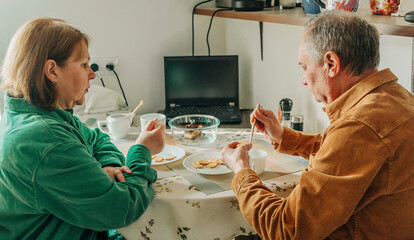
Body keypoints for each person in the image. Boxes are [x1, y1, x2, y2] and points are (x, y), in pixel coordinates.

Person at [222, 10, 414, 240]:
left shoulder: (359, 127)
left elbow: (286, 229)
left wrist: (242, 171)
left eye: (304, 66)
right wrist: (282, 135)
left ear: (331, 63)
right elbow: (341, 153)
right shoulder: (397, 97)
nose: (303, 79)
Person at [0, 18, 165, 239]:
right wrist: (142, 151)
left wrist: (110, 164)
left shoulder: (35, 113)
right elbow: (122, 208)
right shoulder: (46, 140)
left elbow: (97, 138)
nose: (92, 74)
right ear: (52, 70)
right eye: (84, 64)